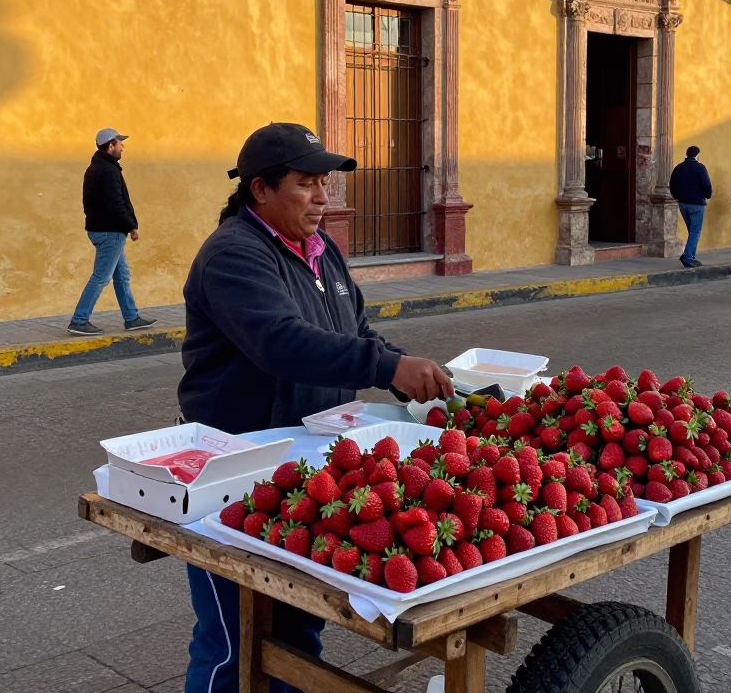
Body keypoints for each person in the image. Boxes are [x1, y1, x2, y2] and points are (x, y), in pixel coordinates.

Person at [178, 122, 454, 693]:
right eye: (307, 183)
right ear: (260, 190)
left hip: (308, 466)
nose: (324, 197)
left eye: (324, 182)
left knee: (297, 630)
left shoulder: (321, 250)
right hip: (234, 467)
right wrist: (384, 368)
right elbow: (280, 343)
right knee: (234, 642)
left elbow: (353, 332)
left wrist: (407, 377)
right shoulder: (232, 254)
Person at [68, 128, 155, 335]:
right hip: (110, 231)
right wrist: (130, 226)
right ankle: (79, 320)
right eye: (119, 143)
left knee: (122, 274)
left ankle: (131, 317)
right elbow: (116, 203)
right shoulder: (108, 171)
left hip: (103, 229)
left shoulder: (96, 168)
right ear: (110, 146)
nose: (122, 146)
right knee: (101, 277)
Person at [669, 145, 712, 268]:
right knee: (695, 231)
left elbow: (672, 184)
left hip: (682, 203)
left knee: (692, 230)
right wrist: (708, 195)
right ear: (697, 155)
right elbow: (706, 185)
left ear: (687, 154)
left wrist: (676, 196)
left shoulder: (678, 168)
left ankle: (687, 254)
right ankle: (688, 257)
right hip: (696, 203)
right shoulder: (700, 168)